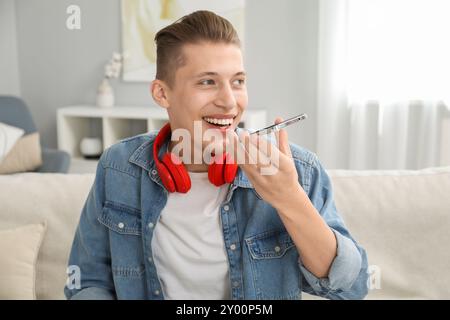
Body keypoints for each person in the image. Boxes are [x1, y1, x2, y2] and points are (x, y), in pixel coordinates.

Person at [65, 10, 369, 300]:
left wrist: (289, 198)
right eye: (207, 82)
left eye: (238, 81)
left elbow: (352, 286)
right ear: (162, 93)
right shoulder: (118, 168)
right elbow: (86, 280)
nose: (229, 102)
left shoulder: (296, 170)